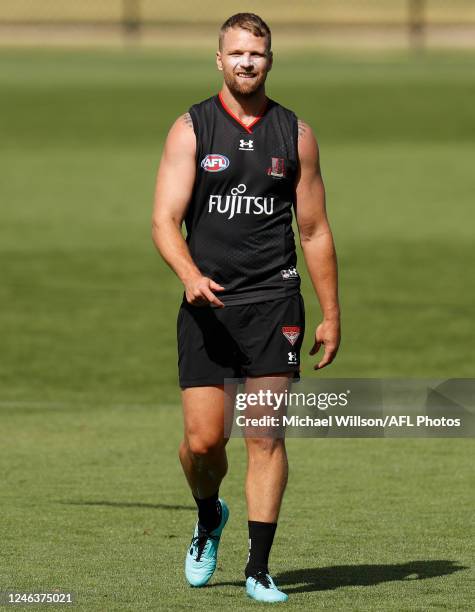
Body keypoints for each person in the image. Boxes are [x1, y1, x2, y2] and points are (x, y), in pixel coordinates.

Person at [152, 12, 340, 603]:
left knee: (264, 434)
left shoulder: (295, 133)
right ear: (219, 60)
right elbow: (164, 220)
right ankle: (209, 516)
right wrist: (189, 276)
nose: (246, 62)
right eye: (236, 53)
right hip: (207, 306)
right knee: (205, 443)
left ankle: (259, 568)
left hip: (274, 301)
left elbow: (313, 231)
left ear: (270, 60)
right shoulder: (191, 128)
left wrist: (332, 313)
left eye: (256, 53)